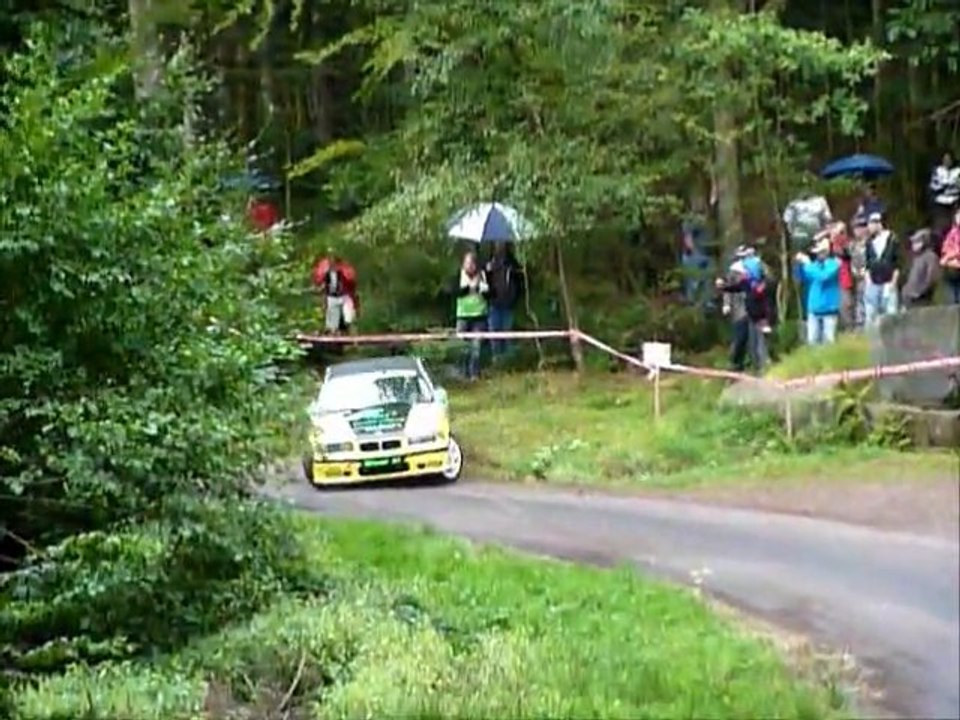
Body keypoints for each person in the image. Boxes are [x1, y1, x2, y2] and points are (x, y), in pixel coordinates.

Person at [716, 260, 768, 373]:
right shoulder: (737, 273)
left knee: (755, 340)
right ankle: (736, 364)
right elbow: (731, 288)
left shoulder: (757, 276)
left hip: (754, 313)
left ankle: (759, 365)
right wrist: (726, 301)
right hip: (741, 312)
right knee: (741, 338)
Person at [795, 237, 841, 346]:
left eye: (821, 252)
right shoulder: (814, 265)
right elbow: (802, 278)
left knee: (829, 342)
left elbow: (823, 276)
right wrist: (799, 265)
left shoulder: (834, 264)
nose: (818, 255)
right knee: (812, 342)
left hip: (829, 309)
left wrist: (808, 264)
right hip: (814, 309)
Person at [484, 242, 524, 359]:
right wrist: (487, 271)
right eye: (497, 243)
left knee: (507, 333)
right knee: (494, 334)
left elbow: (520, 278)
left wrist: (515, 298)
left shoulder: (512, 262)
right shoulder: (489, 262)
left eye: (501, 243)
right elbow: (483, 281)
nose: (499, 246)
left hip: (508, 303)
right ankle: (496, 359)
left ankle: (507, 361)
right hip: (494, 303)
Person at [453, 251, 489, 381]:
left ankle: (474, 374)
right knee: (462, 347)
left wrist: (482, 289)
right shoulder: (458, 275)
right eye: (467, 263)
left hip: (479, 316)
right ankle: (462, 373)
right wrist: (468, 289)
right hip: (463, 316)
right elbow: (453, 292)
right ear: (463, 264)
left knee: (476, 347)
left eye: (472, 263)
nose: (470, 266)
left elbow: (491, 294)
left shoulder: (483, 275)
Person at [863, 212, 900, 327]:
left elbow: (897, 264)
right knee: (871, 314)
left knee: (890, 313)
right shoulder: (869, 242)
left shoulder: (892, 240)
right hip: (873, 282)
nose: (869, 227)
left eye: (871, 224)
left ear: (879, 224)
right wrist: (868, 281)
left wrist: (893, 282)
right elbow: (867, 264)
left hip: (888, 282)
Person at [312, 252, 359, 334]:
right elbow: (319, 281)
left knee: (349, 318)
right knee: (332, 324)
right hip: (332, 297)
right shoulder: (324, 268)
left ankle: (348, 332)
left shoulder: (345, 268)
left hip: (345, 296)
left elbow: (352, 281)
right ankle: (335, 334)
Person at [901, 229, 940, 309]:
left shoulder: (930, 257)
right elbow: (908, 277)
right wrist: (905, 290)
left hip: (922, 300)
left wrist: (920, 293)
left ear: (924, 243)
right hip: (909, 299)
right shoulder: (915, 258)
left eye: (917, 242)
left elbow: (932, 279)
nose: (913, 245)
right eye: (913, 242)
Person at [929, 151, 959, 238]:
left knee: (956, 224)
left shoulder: (958, 171)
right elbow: (934, 186)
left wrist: (950, 185)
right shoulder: (937, 170)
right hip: (940, 202)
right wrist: (947, 185)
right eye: (945, 159)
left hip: (955, 201)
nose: (947, 161)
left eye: (949, 159)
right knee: (941, 226)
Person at [847, 214, 870, 328]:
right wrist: (855, 271)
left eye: (861, 227)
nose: (859, 230)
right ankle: (860, 324)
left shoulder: (872, 242)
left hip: (872, 276)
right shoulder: (852, 245)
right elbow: (851, 260)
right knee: (859, 300)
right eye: (856, 228)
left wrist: (866, 271)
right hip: (858, 278)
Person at [940, 209, 960, 304]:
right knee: (951, 300)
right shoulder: (952, 232)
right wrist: (947, 258)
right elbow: (945, 248)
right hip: (951, 271)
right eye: (958, 215)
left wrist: (950, 256)